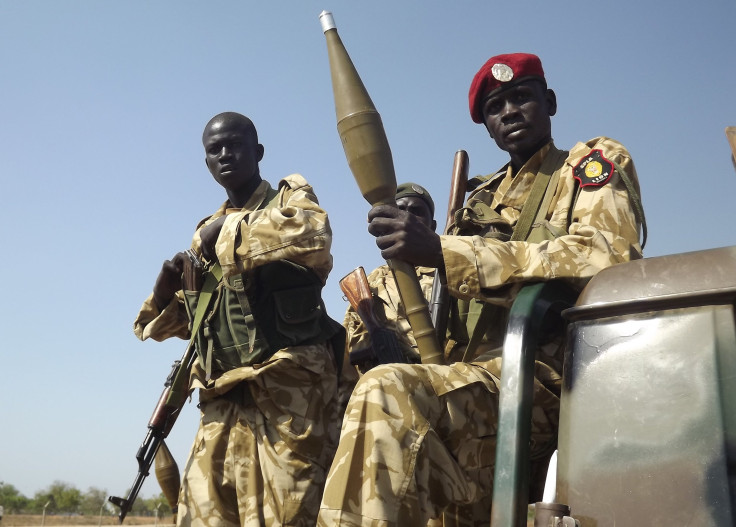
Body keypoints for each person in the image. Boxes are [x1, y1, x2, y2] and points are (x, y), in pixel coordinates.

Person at [317, 53, 646, 526]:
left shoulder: (588, 165)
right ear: (487, 127)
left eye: (521, 97)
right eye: (496, 107)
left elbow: (605, 258)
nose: (510, 111)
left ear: (549, 102)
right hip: (473, 385)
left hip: (549, 381)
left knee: (386, 393)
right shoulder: (479, 200)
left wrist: (446, 252)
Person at [134, 112, 345, 527]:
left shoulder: (289, 199)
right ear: (206, 162)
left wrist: (229, 230)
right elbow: (194, 323)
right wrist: (162, 293)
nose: (225, 155)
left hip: (287, 396)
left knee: (290, 516)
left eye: (235, 145)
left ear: (258, 152)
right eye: (215, 150)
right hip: (220, 401)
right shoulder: (203, 232)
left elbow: (314, 234)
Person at [342, 182, 437, 374]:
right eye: (400, 209)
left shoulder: (448, 274)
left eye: (416, 211)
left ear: (432, 226)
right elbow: (349, 350)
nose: (407, 217)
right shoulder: (370, 283)